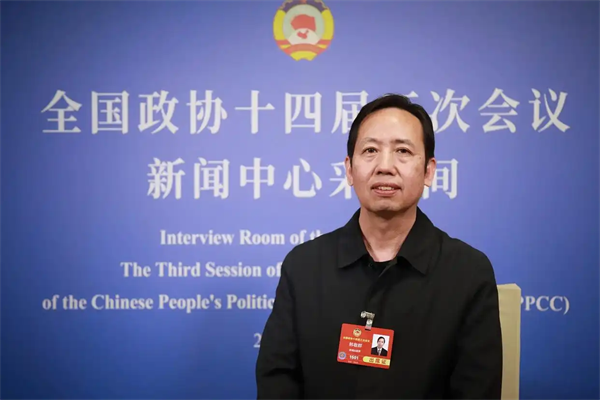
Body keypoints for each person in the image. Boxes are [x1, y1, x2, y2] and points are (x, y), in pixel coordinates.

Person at [255, 93, 503, 400]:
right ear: (349, 169)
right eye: (370, 150)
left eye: (403, 151)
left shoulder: (467, 273)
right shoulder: (304, 266)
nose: (385, 166)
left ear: (428, 170)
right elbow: (277, 380)